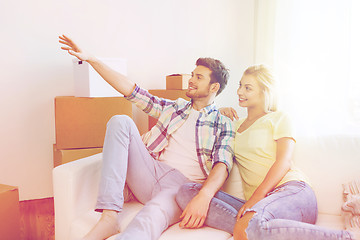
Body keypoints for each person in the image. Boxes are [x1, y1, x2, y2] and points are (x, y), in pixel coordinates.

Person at [59, 35, 235, 240]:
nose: (191, 80)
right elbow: (132, 91)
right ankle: (109, 218)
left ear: (214, 87)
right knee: (120, 121)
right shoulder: (175, 107)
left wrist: (204, 196)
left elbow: (222, 164)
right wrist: (92, 60)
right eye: (193, 74)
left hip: (182, 187)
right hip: (151, 171)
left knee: (149, 218)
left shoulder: (222, 122)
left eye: (199, 77)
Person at [176, 64, 355, 240]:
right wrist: (216, 113)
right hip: (259, 206)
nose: (239, 92)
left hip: (291, 192)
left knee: (249, 223)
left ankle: (347, 237)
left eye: (248, 88)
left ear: (264, 92)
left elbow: (283, 161)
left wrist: (256, 198)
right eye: (240, 85)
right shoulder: (233, 125)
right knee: (187, 191)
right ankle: (253, 226)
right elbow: (215, 152)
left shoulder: (279, 118)